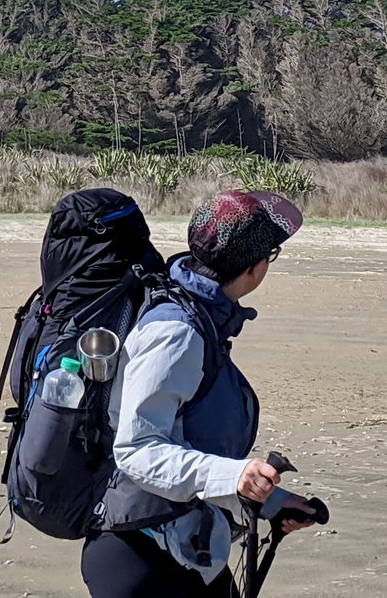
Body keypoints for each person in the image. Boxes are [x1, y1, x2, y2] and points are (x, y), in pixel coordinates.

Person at [83, 190, 317, 598]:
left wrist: (273, 502)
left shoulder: (199, 314)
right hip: (140, 554)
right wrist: (237, 475)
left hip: (181, 547)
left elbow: (187, 441)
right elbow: (138, 450)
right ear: (256, 267)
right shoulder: (177, 330)